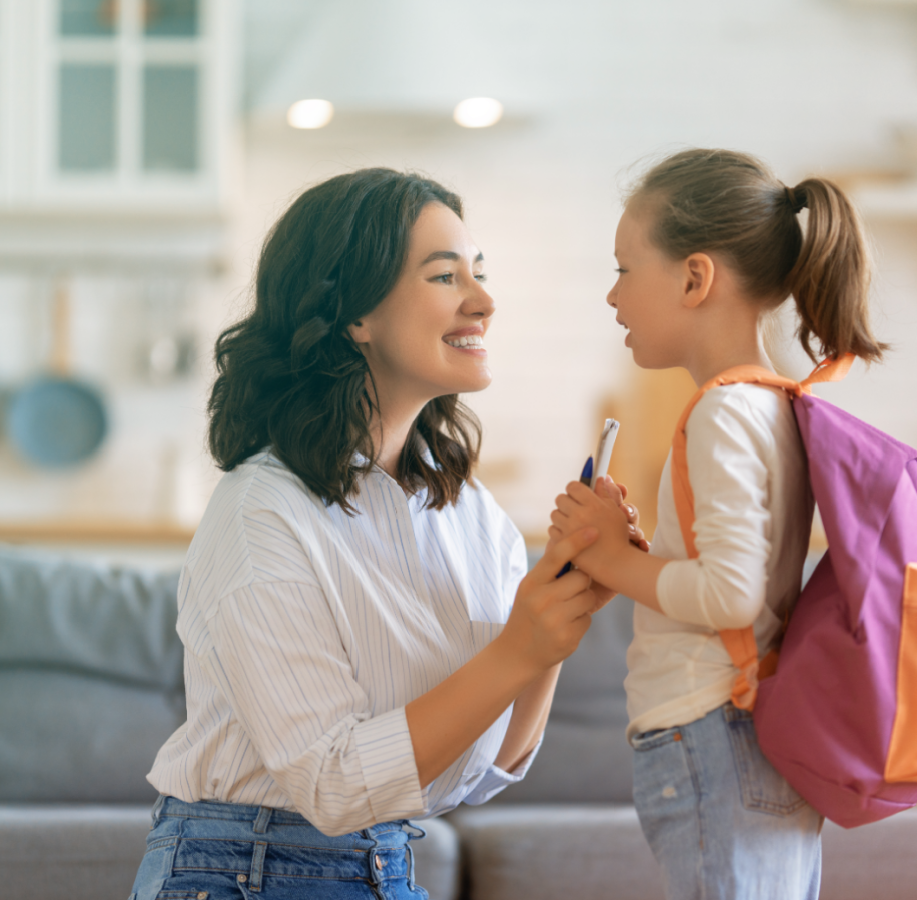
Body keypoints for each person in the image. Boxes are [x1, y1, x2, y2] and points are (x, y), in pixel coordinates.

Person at [130, 168, 640, 900]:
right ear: (354, 314)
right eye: (444, 276)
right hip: (246, 872)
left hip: (384, 865)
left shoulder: (470, 514)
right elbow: (333, 785)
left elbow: (486, 768)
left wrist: (554, 625)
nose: (484, 302)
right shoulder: (260, 514)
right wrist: (521, 646)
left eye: (480, 273)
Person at [548, 148, 886, 900]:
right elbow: (742, 577)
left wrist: (608, 558)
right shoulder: (775, 403)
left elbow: (732, 595)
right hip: (750, 735)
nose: (612, 297)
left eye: (624, 270)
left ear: (695, 278)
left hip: (712, 731)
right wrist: (637, 550)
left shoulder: (723, 414)